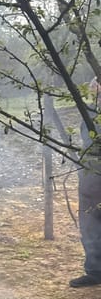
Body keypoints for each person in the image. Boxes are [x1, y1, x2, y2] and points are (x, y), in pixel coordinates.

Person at [70, 79, 101, 287]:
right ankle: (95, 270)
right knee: (90, 225)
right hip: (90, 178)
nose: (94, 89)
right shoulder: (89, 112)